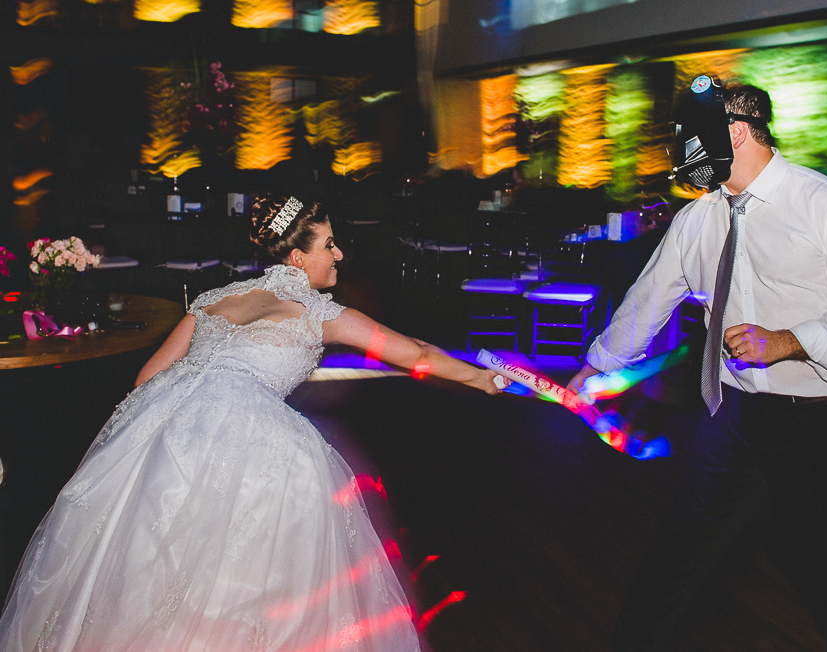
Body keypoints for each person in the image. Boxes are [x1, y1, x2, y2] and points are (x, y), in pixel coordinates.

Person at [0, 194, 501, 652]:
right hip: (248, 432)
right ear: (297, 258)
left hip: (166, 430)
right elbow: (416, 353)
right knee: (243, 580)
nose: (340, 254)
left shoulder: (212, 299)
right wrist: (480, 378)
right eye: (330, 245)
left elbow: (147, 378)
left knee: (147, 568)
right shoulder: (316, 311)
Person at [568, 79, 827, 651]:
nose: (679, 150)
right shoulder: (698, 219)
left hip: (824, 422)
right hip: (735, 411)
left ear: (737, 133)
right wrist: (596, 367)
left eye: (689, 137)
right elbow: (649, 298)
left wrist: (787, 341)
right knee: (681, 550)